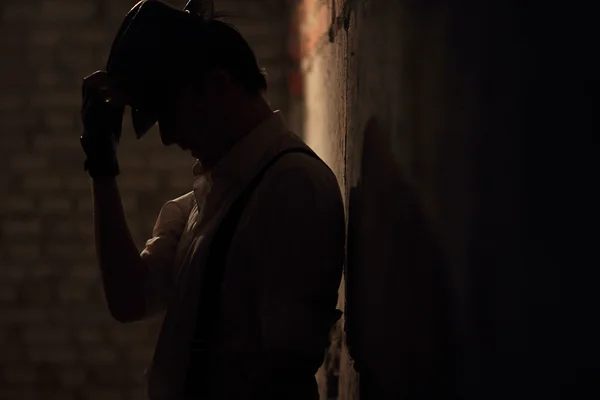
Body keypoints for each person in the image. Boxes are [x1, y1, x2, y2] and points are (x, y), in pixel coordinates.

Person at [79, 0, 345, 399]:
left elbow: (282, 376)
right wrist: (102, 166)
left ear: (218, 87)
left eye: (170, 114)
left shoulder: (291, 188)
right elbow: (129, 299)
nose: (168, 137)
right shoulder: (205, 201)